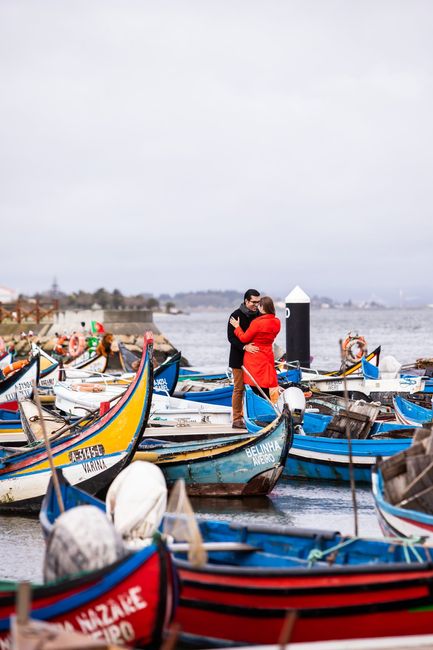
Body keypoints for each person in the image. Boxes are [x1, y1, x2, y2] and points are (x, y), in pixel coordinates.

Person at [230, 296, 281, 400]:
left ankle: (256, 410)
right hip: (267, 354)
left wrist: (237, 327)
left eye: (259, 306)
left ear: (262, 307)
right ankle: (267, 409)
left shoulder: (257, 322)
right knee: (265, 385)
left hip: (254, 356)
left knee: (254, 384)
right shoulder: (277, 322)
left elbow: (244, 338)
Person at [227, 289, 261, 428]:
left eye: (258, 302)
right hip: (238, 357)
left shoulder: (259, 315)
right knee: (239, 388)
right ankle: (236, 419)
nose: (256, 305)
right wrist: (244, 347)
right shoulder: (235, 315)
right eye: (253, 302)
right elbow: (231, 338)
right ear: (246, 301)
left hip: (255, 358)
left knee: (255, 389)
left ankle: (255, 417)